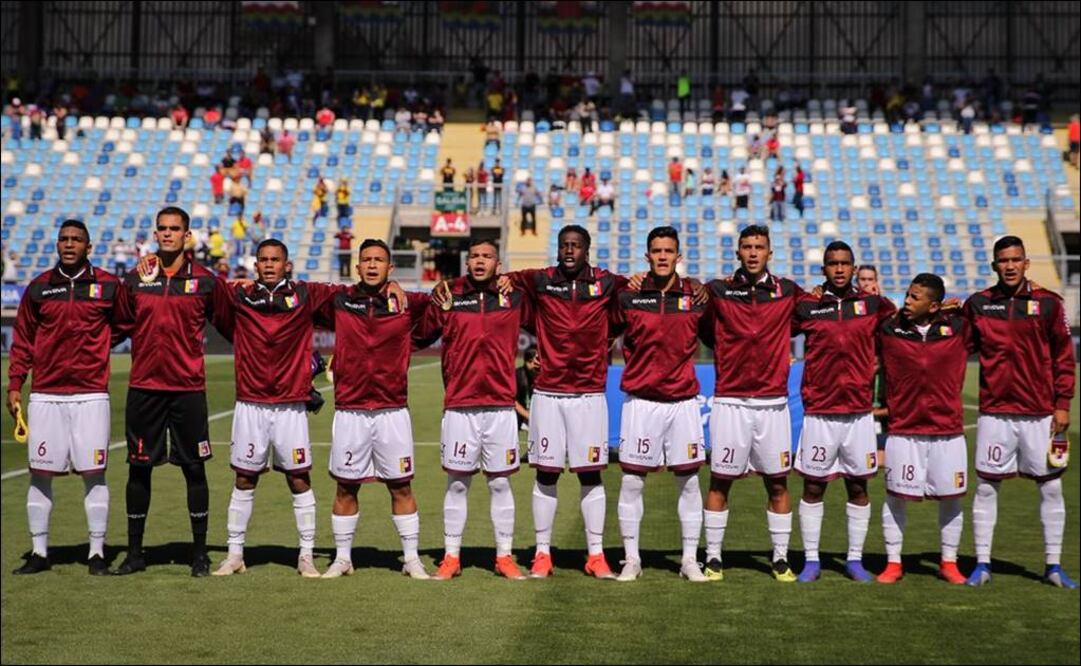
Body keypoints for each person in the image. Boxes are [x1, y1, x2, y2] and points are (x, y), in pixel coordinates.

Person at [494, 226, 627, 579]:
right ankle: (542, 553)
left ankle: (596, 555)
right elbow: (504, 278)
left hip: (589, 394)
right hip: (549, 393)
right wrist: (504, 279)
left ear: (587, 249)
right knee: (546, 473)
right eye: (564, 245)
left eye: (576, 245)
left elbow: (637, 294)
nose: (569, 250)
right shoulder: (540, 280)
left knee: (590, 473)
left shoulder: (607, 282)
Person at [112, 207, 234, 577]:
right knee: (139, 469)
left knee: (194, 468)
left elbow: (231, 325)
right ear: (156, 234)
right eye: (162, 229)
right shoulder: (135, 279)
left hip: (187, 388)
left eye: (174, 228)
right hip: (144, 387)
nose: (167, 234)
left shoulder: (206, 281)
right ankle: (135, 554)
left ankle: (200, 554)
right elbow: (116, 326)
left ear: (187, 235)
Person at [211, 239, 343, 578]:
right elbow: (206, 290)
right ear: (255, 265)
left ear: (287, 265)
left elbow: (351, 296)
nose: (269, 264)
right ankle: (235, 554)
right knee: (244, 478)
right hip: (250, 403)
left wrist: (391, 286)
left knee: (299, 478)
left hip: (289, 405)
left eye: (275, 260)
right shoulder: (240, 295)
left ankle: (306, 555)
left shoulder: (305, 294)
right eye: (263, 260)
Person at [8, 220, 122, 576]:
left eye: (76, 240)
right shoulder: (39, 287)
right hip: (46, 394)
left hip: (91, 395)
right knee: (40, 474)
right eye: (64, 239)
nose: (69, 244)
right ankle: (39, 552)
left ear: (89, 247)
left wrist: (98, 345)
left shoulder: (108, 285)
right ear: (57, 245)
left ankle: (96, 552)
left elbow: (125, 322)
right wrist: (15, 384)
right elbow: (23, 339)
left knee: (94, 474)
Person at [314, 239, 433, 579]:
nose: (371, 265)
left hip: (392, 409)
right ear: (357, 266)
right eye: (366, 259)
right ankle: (342, 558)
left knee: (401, 486)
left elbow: (444, 298)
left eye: (378, 260)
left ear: (390, 268)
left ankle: (411, 559)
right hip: (350, 409)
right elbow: (296, 294)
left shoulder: (408, 302)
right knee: (345, 487)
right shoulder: (339, 300)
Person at [963, 236, 1077, 588]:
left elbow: (1063, 357)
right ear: (994, 265)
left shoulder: (1048, 303)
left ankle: (1053, 566)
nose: (1009, 266)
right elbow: (957, 346)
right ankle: (982, 564)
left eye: (1015, 260)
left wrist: (1062, 404)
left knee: (1051, 487)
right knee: (986, 487)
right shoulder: (978, 304)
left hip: (1039, 413)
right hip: (995, 414)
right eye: (1003, 260)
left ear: (1026, 263)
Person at [419, 239, 531, 581]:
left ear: (499, 263)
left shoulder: (514, 296)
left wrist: (516, 279)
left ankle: (504, 557)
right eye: (475, 257)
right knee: (457, 484)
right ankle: (451, 557)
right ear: (467, 263)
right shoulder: (449, 294)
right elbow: (420, 333)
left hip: (500, 406)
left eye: (487, 256)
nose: (480, 261)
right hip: (460, 405)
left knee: (500, 484)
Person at [610, 226, 712, 583]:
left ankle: (689, 560)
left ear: (678, 256)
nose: (663, 256)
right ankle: (631, 559)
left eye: (669, 251)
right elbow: (601, 331)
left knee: (689, 483)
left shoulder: (696, 297)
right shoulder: (630, 296)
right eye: (657, 251)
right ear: (648, 256)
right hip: (641, 402)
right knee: (632, 482)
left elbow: (720, 335)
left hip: (683, 402)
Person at [703, 225, 804, 582]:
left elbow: (813, 318)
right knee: (720, 482)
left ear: (769, 253)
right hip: (731, 400)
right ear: (738, 252)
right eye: (746, 246)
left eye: (759, 247)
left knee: (777, 484)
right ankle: (713, 557)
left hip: (773, 402)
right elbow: (703, 329)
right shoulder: (718, 291)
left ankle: (780, 558)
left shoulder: (788, 291)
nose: (752, 252)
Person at [792, 241, 896, 583]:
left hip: (858, 413)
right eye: (832, 263)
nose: (839, 269)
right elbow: (773, 329)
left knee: (858, 487)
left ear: (853, 267)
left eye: (844, 263)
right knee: (813, 488)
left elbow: (902, 324)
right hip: (820, 411)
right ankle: (811, 560)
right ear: (823, 269)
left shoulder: (872, 305)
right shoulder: (807, 305)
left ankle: (854, 560)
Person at [876, 273, 971, 585]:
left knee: (951, 497)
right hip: (904, 428)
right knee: (895, 496)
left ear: (933, 306)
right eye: (907, 294)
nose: (907, 301)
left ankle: (949, 562)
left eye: (914, 297)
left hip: (947, 429)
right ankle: (893, 562)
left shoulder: (959, 328)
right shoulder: (889, 328)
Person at [514, 347, 540, 431]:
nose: (533, 365)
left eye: (537, 361)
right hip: (519, 416)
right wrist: (529, 417)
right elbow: (513, 401)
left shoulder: (543, 376)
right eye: (530, 362)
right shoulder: (518, 376)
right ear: (525, 361)